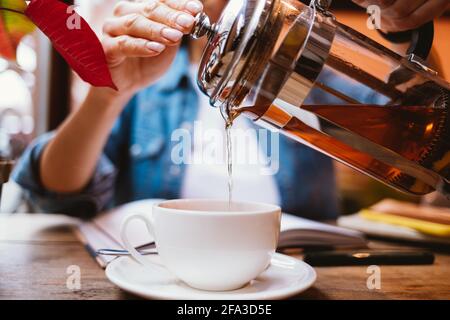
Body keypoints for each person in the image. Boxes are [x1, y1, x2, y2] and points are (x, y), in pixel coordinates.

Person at [11, 0, 448, 220]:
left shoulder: (303, 70)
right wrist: (109, 94)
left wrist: (398, 27)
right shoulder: (147, 78)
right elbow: (53, 194)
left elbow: (415, 120)